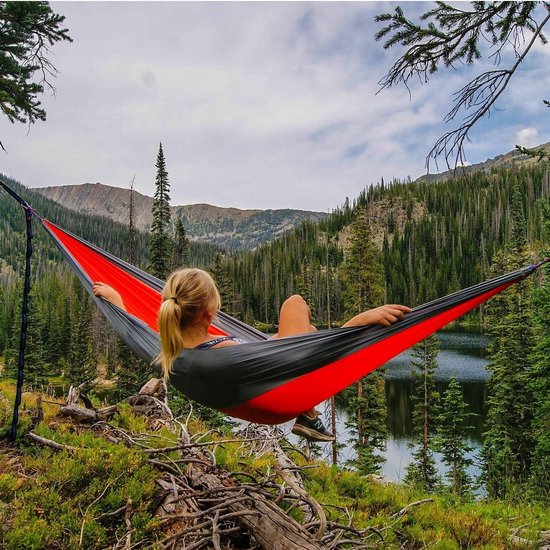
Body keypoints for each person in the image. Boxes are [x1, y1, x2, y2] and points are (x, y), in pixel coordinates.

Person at [93, 268, 411, 442]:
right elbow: (308, 361)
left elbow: (135, 330)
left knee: (309, 330)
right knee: (295, 303)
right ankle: (308, 415)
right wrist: (358, 323)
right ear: (209, 312)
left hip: (255, 380)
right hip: (276, 397)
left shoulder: (168, 348)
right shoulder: (224, 355)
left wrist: (118, 302)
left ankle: (310, 416)